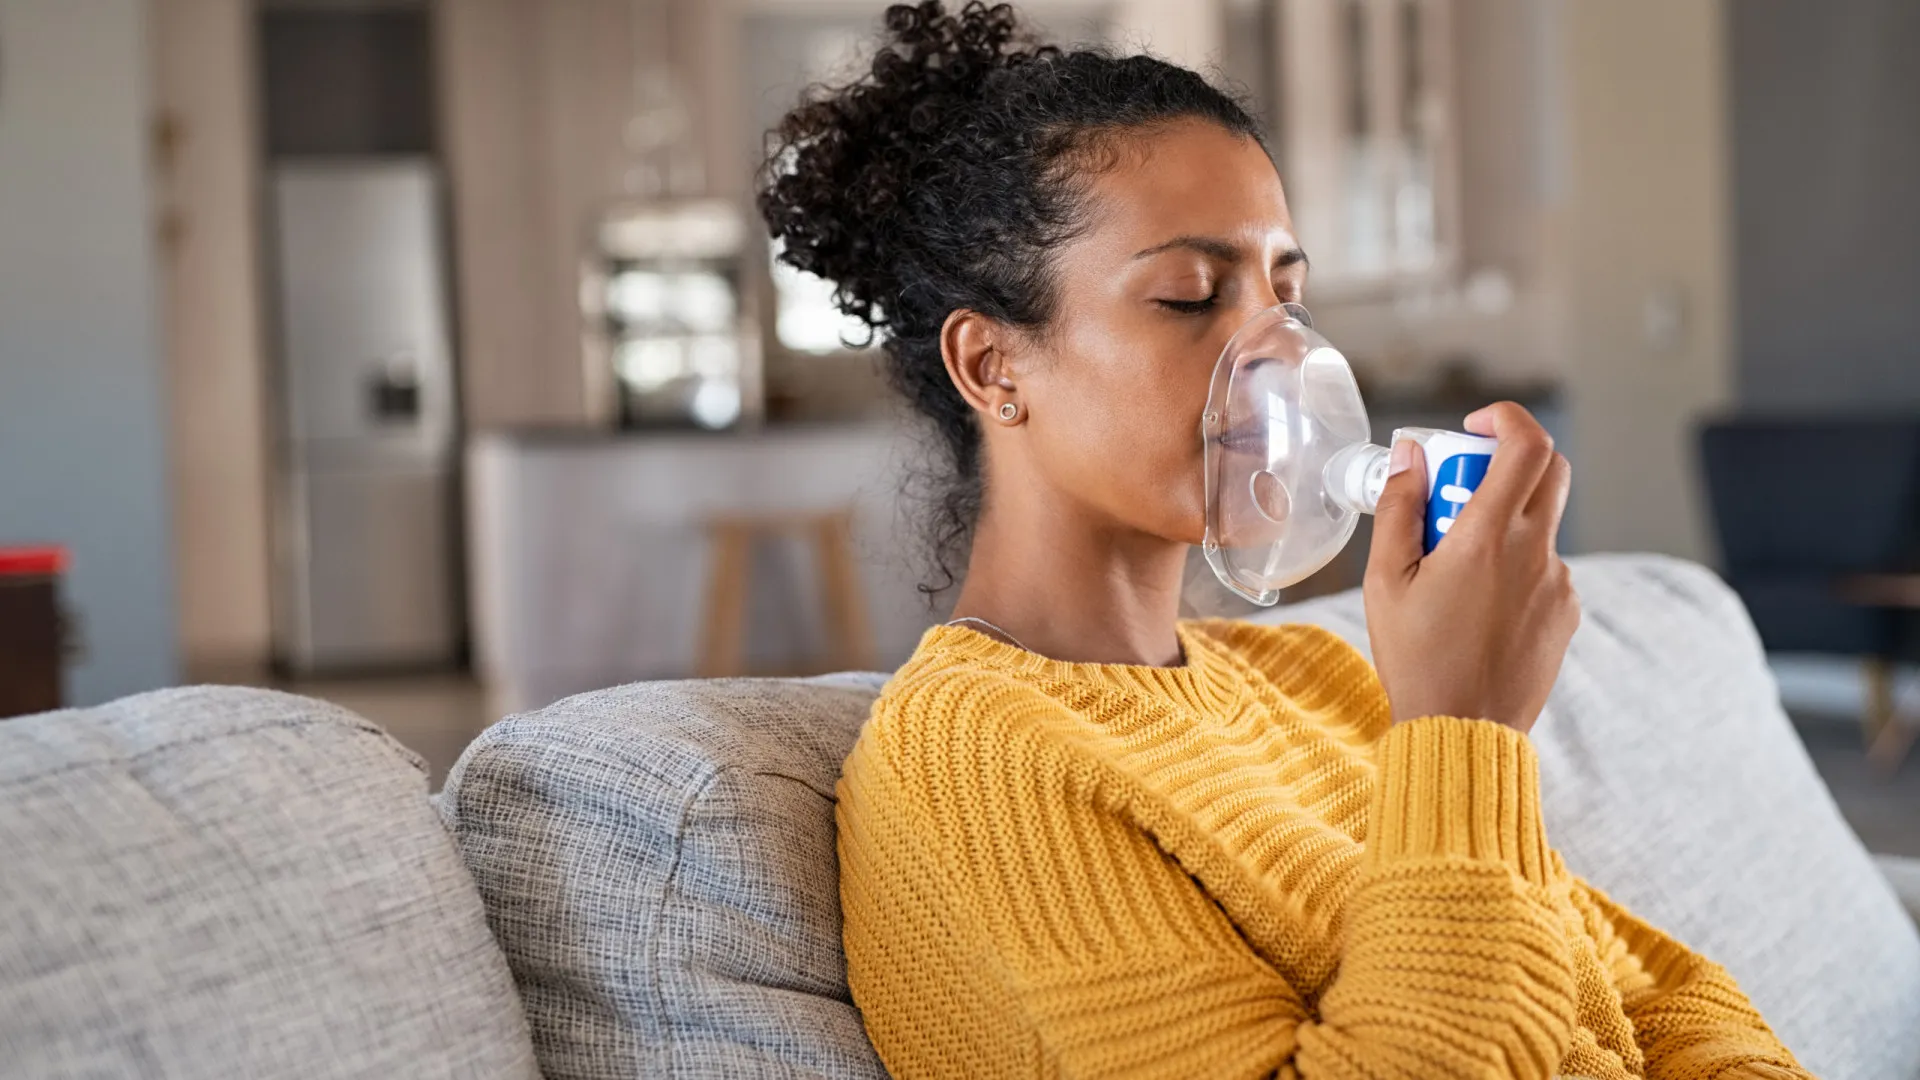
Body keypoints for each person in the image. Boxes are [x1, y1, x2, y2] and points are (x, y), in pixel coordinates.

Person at [758, 3, 1808, 1077]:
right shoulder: (975, 761)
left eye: (1288, 295)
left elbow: (1645, 994)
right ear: (992, 366)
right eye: (1189, 296)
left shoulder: (1311, 675)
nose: (1273, 354)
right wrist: (1461, 730)